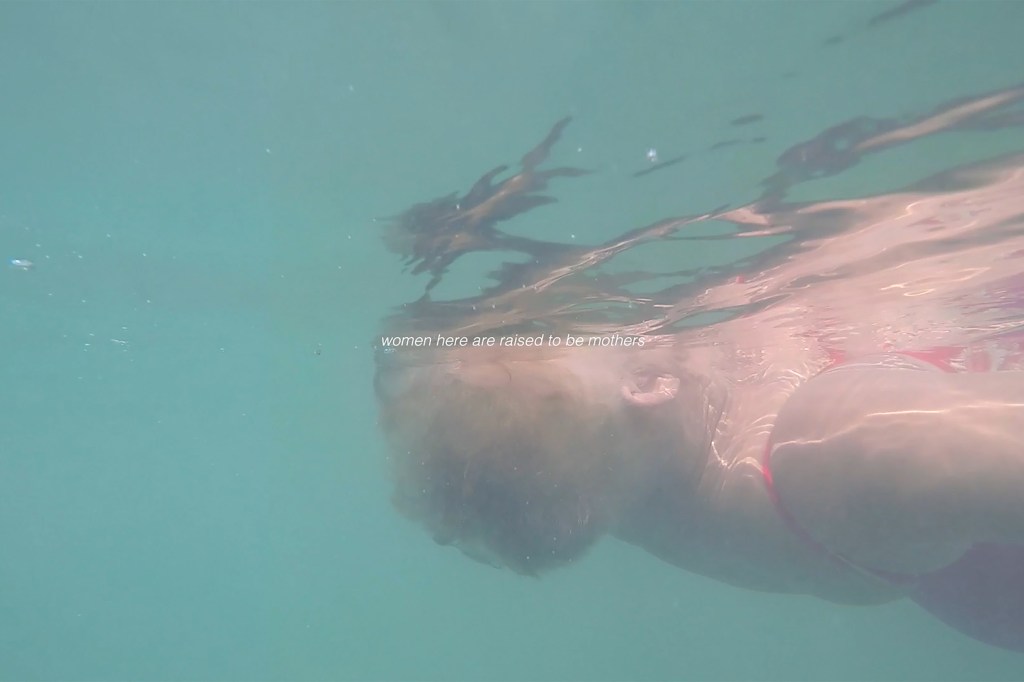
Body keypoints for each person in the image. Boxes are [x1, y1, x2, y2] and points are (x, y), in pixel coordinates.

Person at [373, 92, 1024, 652]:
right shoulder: (837, 446)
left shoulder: (594, 471)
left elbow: (491, 442)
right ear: (646, 383)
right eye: (539, 331)